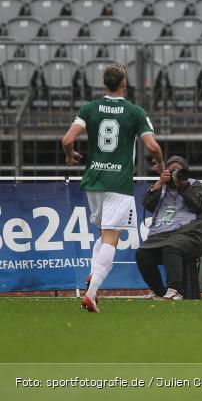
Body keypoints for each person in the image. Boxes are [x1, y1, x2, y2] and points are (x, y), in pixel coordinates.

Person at [60, 63, 163, 313]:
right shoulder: (135, 112)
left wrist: (70, 155)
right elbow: (152, 146)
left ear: (105, 83)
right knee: (111, 238)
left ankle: (93, 276)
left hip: (94, 181)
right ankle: (91, 293)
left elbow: (67, 139)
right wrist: (159, 162)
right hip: (118, 183)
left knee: (102, 234)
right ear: (124, 83)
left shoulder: (89, 108)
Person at [136, 155, 202, 301]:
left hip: (192, 234)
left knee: (171, 246)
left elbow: (199, 206)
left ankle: (175, 290)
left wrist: (183, 186)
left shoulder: (194, 185)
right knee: (142, 254)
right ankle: (158, 291)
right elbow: (147, 205)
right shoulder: (162, 186)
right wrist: (159, 182)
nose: (175, 174)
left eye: (179, 171)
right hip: (162, 235)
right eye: (172, 171)